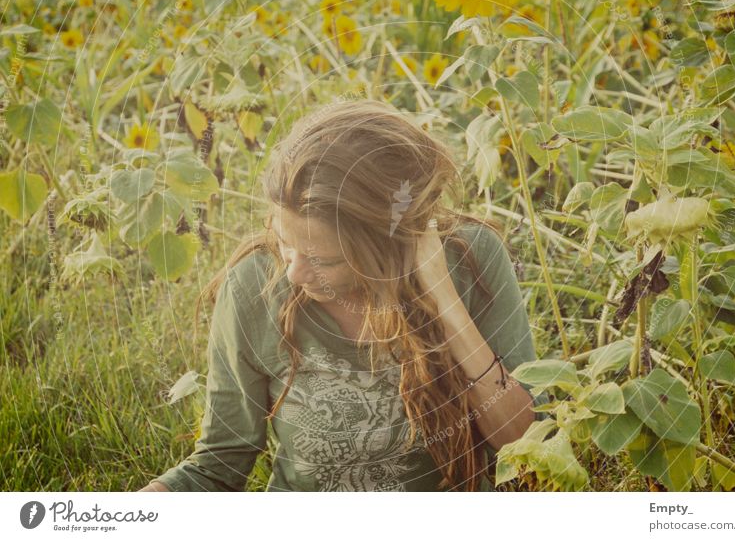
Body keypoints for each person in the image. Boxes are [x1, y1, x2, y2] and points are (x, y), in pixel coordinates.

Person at [139, 99, 546, 492]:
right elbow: (218, 466)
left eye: (324, 260)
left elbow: (526, 447)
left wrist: (446, 304)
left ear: (392, 245)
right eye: (284, 243)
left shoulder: (471, 261)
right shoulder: (252, 287)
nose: (296, 273)